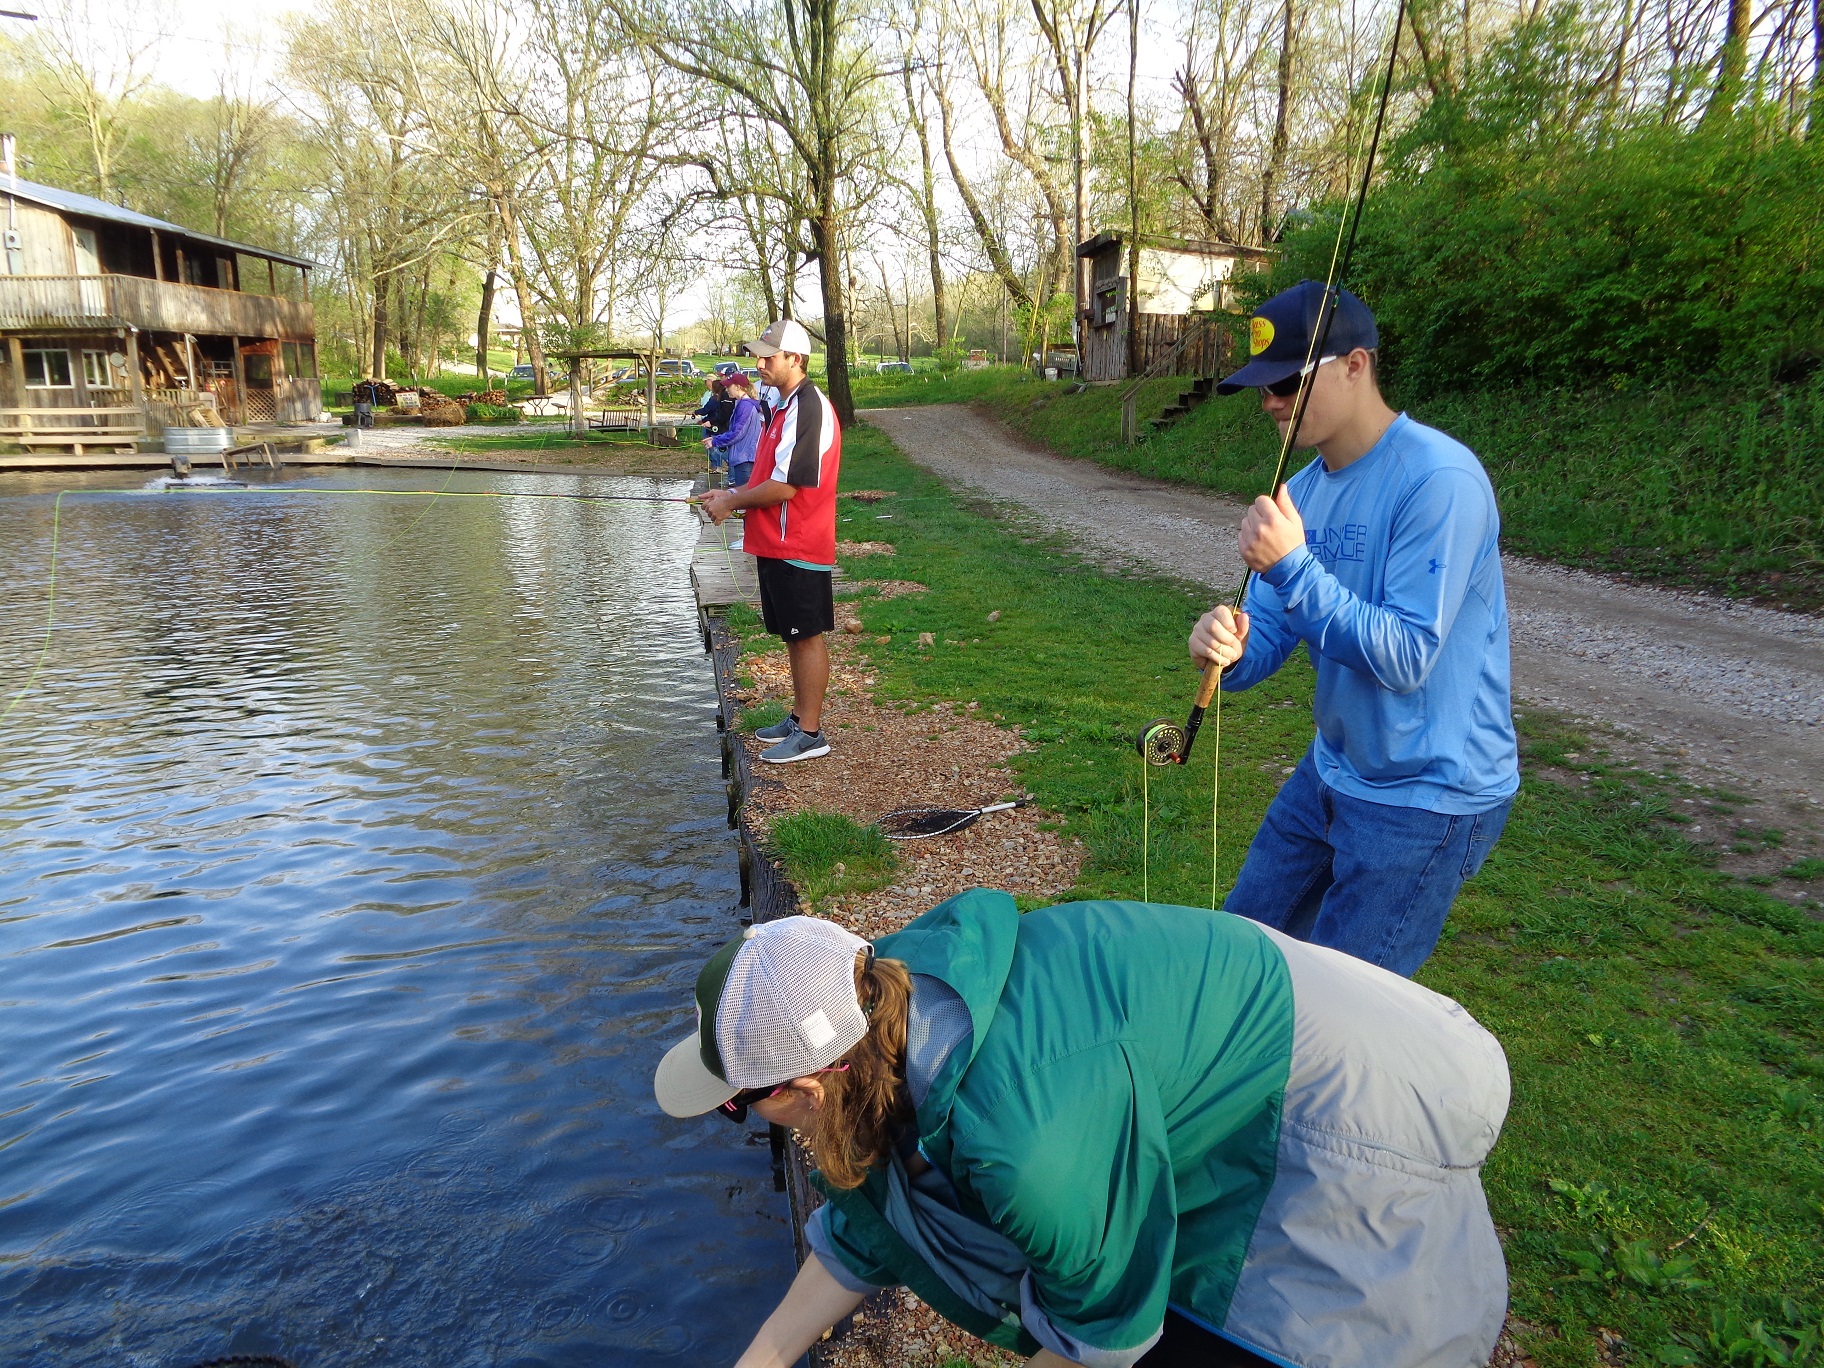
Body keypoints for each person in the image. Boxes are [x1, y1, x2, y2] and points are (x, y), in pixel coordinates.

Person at [655, 890, 1512, 1368]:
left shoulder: (1023, 1146)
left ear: (805, 1086)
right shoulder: (884, 998)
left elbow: (1101, 1336)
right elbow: (865, 1223)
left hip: (1340, 1103)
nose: (740, 1118)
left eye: (740, 1102)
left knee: (1257, 1332)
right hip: (1236, 1026)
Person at [1189, 279, 1519, 977]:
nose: (1270, 403)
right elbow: (1276, 632)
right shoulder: (1303, 489)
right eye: (1261, 388)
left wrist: (1293, 567)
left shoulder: (1439, 481)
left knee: (1342, 1003)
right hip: (1334, 770)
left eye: (1285, 382)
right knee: (1236, 953)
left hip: (1428, 794)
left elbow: (1405, 658)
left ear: (1355, 365)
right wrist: (1228, 648)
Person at [697, 319, 839, 764]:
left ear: (795, 359)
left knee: (806, 634)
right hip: (777, 541)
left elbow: (788, 486)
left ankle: (812, 733)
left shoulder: (809, 406)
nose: (759, 364)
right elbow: (768, 477)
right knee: (792, 634)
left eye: (768, 357)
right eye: (758, 356)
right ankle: (799, 718)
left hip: (798, 540)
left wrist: (733, 500)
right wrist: (729, 495)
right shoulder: (782, 404)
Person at [708, 371, 763, 492]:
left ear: (738, 387)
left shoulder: (745, 406)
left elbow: (737, 433)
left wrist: (715, 441)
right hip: (744, 457)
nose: (726, 389)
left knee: (745, 498)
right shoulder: (743, 404)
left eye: (728, 386)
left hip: (745, 459)